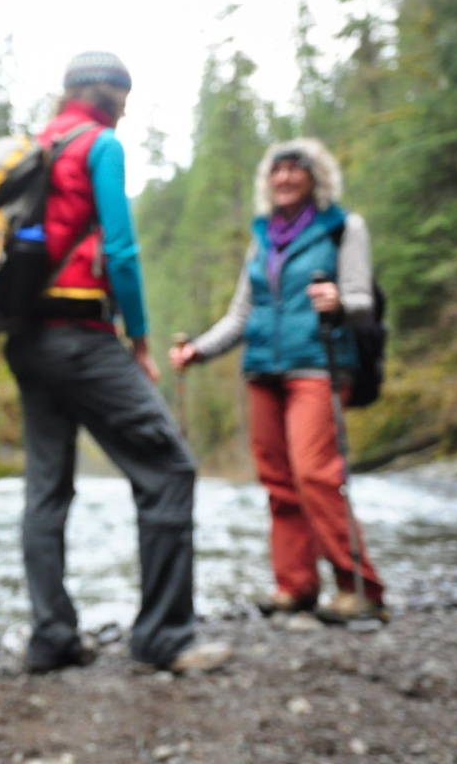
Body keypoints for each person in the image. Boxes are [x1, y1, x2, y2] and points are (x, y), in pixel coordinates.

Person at [6, 51, 231, 674]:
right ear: (109, 96)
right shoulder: (99, 145)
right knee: (169, 470)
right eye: (124, 95)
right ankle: (164, 637)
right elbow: (124, 251)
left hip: (26, 340)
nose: (128, 106)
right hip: (82, 334)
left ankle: (51, 638)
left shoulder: (32, 146)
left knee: (46, 490)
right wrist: (139, 339)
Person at [169, 138, 389, 625]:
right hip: (262, 369)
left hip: (319, 365)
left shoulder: (343, 228)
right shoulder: (263, 236)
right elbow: (242, 312)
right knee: (278, 482)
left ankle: (361, 587)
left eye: (296, 169)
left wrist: (338, 299)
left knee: (315, 474)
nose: (285, 178)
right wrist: (199, 350)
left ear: (316, 178)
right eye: (277, 170)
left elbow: (361, 300)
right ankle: (296, 585)